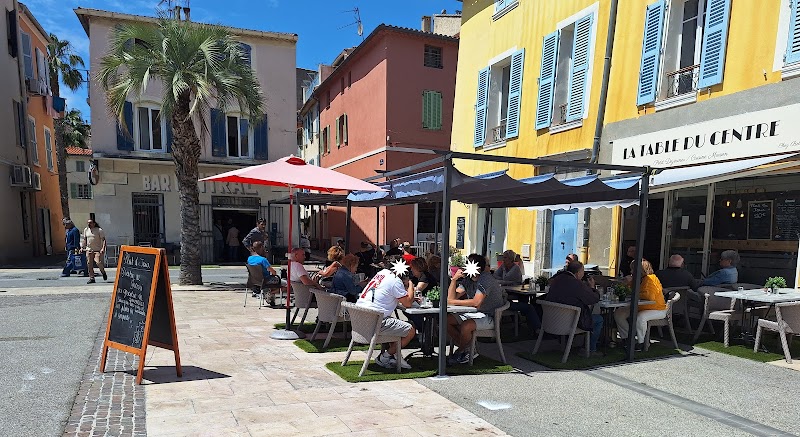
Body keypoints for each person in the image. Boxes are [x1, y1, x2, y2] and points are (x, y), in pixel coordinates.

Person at [446, 254, 507, 365]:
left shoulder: (485, 279)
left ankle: (461, 351)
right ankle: (468, 348)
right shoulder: (468, 279)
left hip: (489, 316)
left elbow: (476, 302)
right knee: (446, 321)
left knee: (466, 326)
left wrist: (453, 302)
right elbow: (451, 298)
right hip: (475, 314)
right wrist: (454, 280)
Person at [356, 259, 416, 369]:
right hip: (375, 322)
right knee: (410, 330)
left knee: (396, 326)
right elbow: (408, 303)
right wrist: (411, 284)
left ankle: (395, 355)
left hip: (361, 319)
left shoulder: (381, 273)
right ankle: (385, 357)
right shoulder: (395, 280)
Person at [547, 261, 603, 356]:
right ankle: (590, 349)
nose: (583, 274)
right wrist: (592, 287)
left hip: (552, 320)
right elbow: (593, 299)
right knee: (599, 319)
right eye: (583, 271)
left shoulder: (557, 279)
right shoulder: (576, 284)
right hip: (569, 323)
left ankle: (572, 343)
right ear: (578, 272)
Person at [613, 259, 667, 351]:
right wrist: (628, 283)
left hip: (656, 309)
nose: (631, 271)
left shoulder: (650, 279)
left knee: (640, 317)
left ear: (640, 270)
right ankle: (628, 338)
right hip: (641, 307)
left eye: (632, 269)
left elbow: (649, 297)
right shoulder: (640, 279)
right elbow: (629, 292)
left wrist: (635, 293)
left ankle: (641, 343)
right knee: (619, 313)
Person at [82, 217, 107, 284]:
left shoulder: (99, 230)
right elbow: (85, 239)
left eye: (90, 223)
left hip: (97, 250)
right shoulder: (86, 230)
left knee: (98, 262)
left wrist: (103, 248)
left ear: (94, 223)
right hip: (89, 249)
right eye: (88, 223)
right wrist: (82, 246)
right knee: (89, 264)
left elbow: (104, 240)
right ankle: (92, 277)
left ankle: (103, 272)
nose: (89, 224)